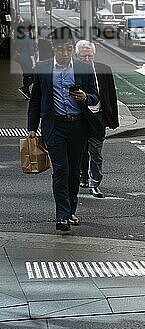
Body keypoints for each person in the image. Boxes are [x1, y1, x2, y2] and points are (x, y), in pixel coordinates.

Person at [27, 27, 100, 232]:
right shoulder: (42, 68)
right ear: (54, 48)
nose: (66, 53)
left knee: (74, 173)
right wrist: (32, 128)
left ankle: (70, 211)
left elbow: (96, 96)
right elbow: (35, 102)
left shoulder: (83, 68)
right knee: (61, 170)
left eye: (69, 49)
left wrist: (85, 97)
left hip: (78, 125)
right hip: (54, 126)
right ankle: (62, 216)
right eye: (62, 50)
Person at [75, 40, 119, 199]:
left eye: (89, 56)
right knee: (81, 151)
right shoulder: (72, 70)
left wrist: (113, 117)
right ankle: (83, 176)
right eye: (83, 57)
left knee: (96, 152)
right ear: (77, 56)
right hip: (79, 116)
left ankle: (95, 183)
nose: (87, 60)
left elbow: (111, 95)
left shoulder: (104, 70)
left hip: (98, 117)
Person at [14, 21, 36, 99]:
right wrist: (33, 62)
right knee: (34, 76)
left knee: (26, 75)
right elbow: (31, 52)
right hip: (27, 59)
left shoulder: (21, 38)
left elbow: (18, 50)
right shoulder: (29, 39)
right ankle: (24, 88)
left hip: (21, 59)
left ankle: (26, 92)